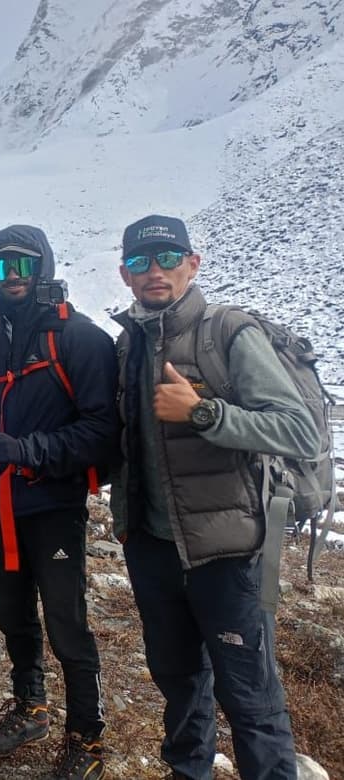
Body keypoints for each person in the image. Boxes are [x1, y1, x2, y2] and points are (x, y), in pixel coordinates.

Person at [111, 214, 318, 780]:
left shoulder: (229, 332)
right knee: (177, 680)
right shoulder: (128, 343)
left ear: (192, 264)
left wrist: (203, 413)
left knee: (249, 694)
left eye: (167, 258)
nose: (154, 272)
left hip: (226, 551)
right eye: (139, 262)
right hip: (152, 545)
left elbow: (299, 431)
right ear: (125, 275)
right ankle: (188, 771)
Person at [0, 225, 117, 780]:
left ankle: (87, 736)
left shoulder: (79, 339)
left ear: (45, 267)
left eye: (25, 265)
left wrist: (28, 450)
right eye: (2, 268)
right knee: (12, 614)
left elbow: (103, 431)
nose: (14, 278)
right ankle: (30, 705)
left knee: (67, 623)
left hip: (52, 506)